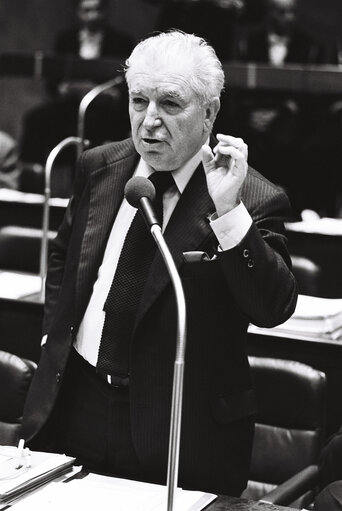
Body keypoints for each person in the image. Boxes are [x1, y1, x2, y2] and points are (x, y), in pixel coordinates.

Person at [22, 30, 298, 497]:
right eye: (138, 101)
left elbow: (273, 308)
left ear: (209, 112)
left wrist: (229, 212)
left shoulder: (251, 196)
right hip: (78, 400)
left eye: (169, 104)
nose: (149, 121)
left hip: (180, 428)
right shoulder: (100, 166)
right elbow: (66, 254)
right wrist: (56, 331)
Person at [229, 0, 338, 217]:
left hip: (291, 120)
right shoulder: (250, 42)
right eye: (282, 12)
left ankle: (294, 209)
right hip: (253, 116)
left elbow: (312, 98)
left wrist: (279, 115)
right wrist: (252, 112)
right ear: (270, 13)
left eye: (292, 13)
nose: (289, 18)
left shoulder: (310, 45)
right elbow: (238, 87)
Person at [20, 0, 134, 169]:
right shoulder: (66, 39)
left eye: (97, 10)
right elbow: (53, 81)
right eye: (86, 11)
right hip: (71, 105)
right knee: (35, 119)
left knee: (96, 129)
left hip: (106, 110)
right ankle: (33, 177)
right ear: (77, 12)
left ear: (105, 11)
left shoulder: (121, 41)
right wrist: (64, 89)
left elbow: (128, 84)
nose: (92, 16)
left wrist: (110, 94)